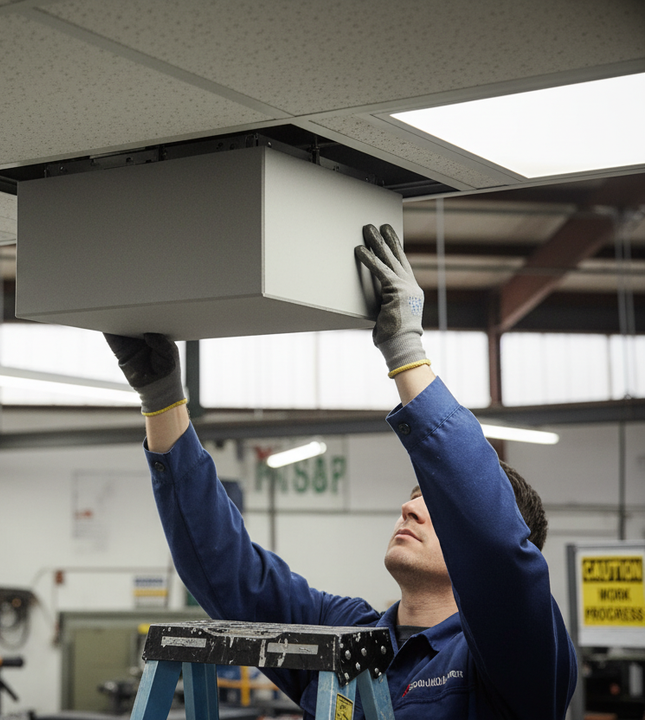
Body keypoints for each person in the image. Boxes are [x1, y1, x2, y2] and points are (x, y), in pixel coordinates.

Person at [105, 224, 576, 719]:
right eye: (414, 495)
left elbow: (493, 543)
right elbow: (226, 572)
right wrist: (160, 398)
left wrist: (407, 352)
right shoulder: (346, 635)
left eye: (434, 503)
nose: (409, 508)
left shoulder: (521, 658)